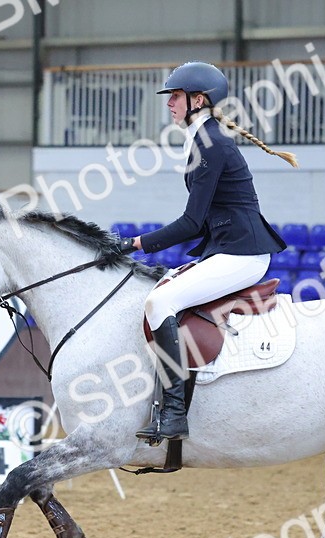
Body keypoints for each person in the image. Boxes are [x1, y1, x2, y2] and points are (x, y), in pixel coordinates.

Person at [124, 61, 298, 443]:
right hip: (228, 249)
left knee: (159, 303)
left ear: (198, 99)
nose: (169, 103)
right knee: (167, 293)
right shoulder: (203, 140)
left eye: (175, 96)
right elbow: (201, 223)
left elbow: (191, 223)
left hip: (243, 254)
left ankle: (173, 415)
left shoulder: (212, 145)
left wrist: (137, 244)